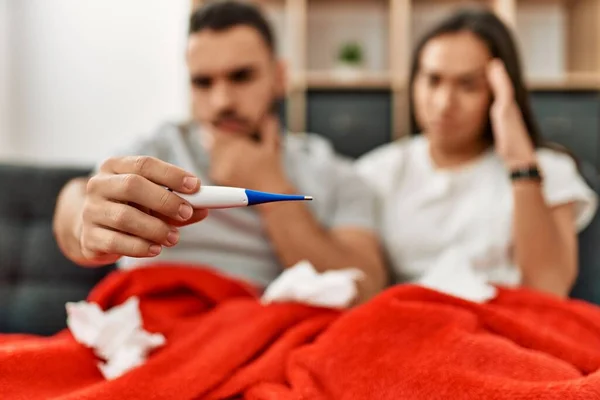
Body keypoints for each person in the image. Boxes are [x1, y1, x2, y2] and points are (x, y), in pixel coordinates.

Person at [52, 0, 387, 303]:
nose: (222, 101)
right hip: (152, 328)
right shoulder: (154, 152)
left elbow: (366, 288)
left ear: (279, 77)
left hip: (270, 333)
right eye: (203, 82)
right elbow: (80, 196)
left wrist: (268, 181)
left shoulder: (334, 173)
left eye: (241, 77)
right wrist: (85, 225)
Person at [355, 8, 598, 298]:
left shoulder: (548, 170)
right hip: (411, 325)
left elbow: (549, 288)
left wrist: (520, 163)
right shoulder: (377, 172)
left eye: (468, 85)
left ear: (499, 92)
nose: (445, 103)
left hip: (507, 327)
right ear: (414, 82)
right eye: (433, 80)